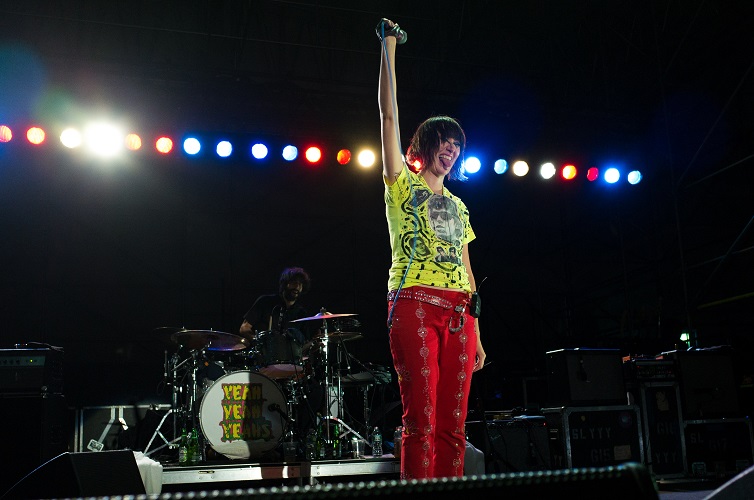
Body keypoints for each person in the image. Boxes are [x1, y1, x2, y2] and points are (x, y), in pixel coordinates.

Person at [377, 18, 486, 479]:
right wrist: (388, 46)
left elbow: (467, 269)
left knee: (453, 427)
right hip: (415, 304)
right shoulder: (401, 184)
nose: (452, 149)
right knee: (420, 422)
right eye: (445, 140)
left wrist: (477, 332)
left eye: (458, 145)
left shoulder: (459, 205)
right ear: (427, 142)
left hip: (460, 314)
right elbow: (388, 117)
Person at [239, 267, 313, 378]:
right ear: (285, 283)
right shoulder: (265, 302)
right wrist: (260, 343)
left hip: (291, 367)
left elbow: (304, 344)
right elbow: (244, 328)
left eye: (300, 284)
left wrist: (316, 343)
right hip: (262, 362)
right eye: (294, 282)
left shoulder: (301, 313)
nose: (297, 287)